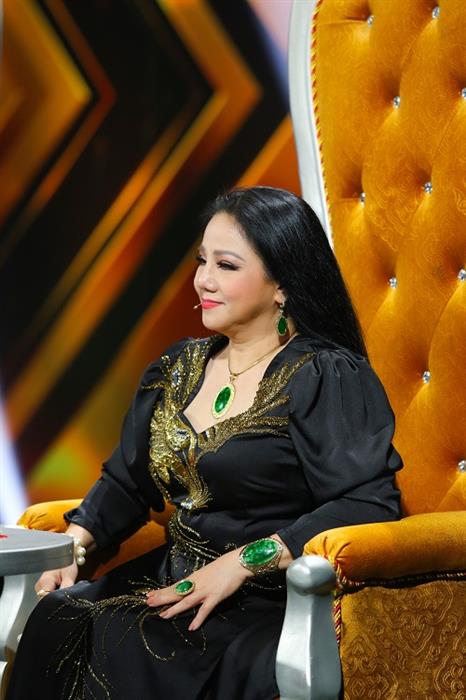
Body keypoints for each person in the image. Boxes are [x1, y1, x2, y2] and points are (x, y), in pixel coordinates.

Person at [6, 187, 402, 700]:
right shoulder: (176, 368)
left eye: (226, 265)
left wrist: (243, 562)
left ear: (282, 286)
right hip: (174, 574)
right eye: (202, 261)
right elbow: (126, 481)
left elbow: (369, 501)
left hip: (267, 597)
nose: (203, 280)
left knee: (139, 643)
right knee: (60, 617)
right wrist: (75, 545)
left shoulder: (324, 375)